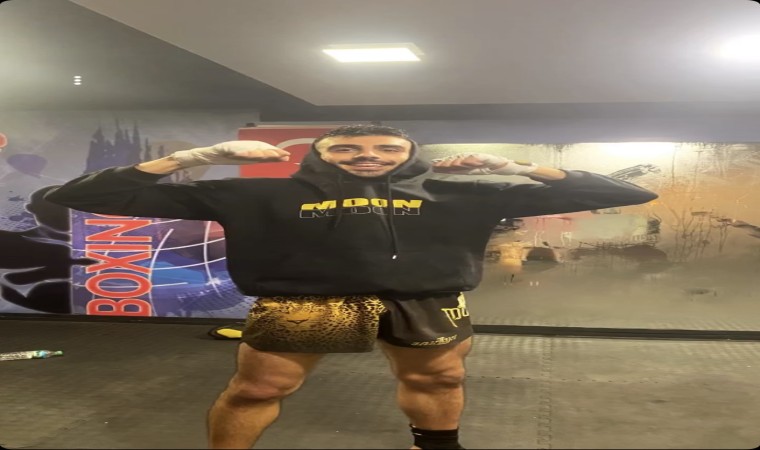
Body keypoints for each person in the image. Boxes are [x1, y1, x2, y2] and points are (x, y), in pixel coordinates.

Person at [44, 124, 658, 449]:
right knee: (257, 388)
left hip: (424, 300)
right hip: (303, 302)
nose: (368, 155)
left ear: (409, 154)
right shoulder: (252, 192)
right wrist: (195, 157)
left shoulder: (463, 190)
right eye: (347, 147)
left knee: (440, 381)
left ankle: (436, 446)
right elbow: (79, 195)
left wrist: (515, 167)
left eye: (386, 147)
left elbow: (626, 192)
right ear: (321, 154)